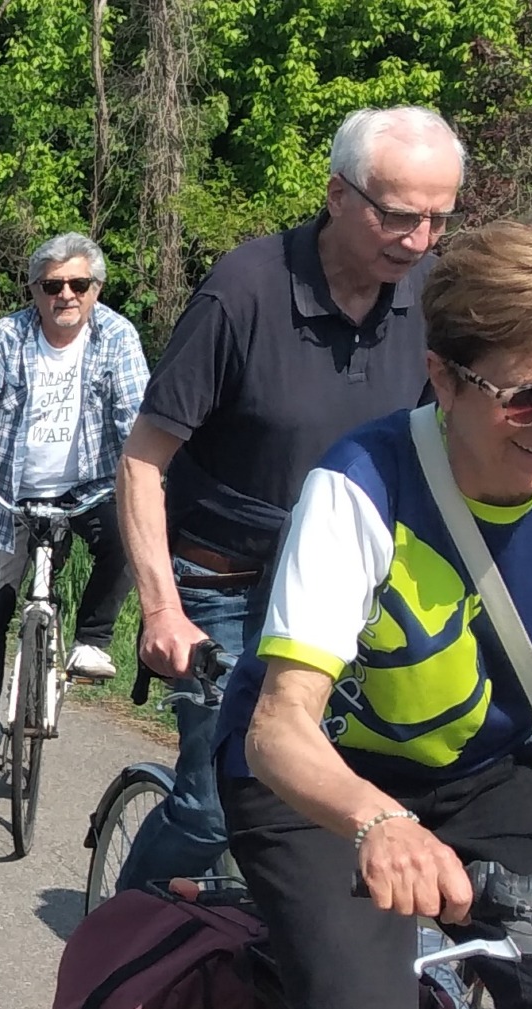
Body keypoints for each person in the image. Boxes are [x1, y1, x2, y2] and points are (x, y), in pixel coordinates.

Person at [213, 213, 532, 1009]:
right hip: (321, 786)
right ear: (445, 379)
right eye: (528, 399)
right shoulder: (360, 484)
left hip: (481, 774)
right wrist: (376, 822)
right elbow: (279, 727)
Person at [112, 105, 466, 892]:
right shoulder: (245, 291)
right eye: (400, 215)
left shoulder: (432, 295)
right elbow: (142, 461)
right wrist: (164, 611)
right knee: (213, 809)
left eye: (439, 219)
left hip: (349, 594)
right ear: (339, 195)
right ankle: (118, 946)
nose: (419, 239)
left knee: (348, 810)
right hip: (226, 584)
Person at [0, 232, 148, 783]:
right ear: (34, 290)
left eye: (79, 284)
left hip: (91, 489)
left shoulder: (117, 337)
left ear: (96, 288)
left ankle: (92, 642)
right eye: (53, 285)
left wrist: (145, 482)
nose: (66, 295)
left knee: (128, 536)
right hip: (13, 494)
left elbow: (134, 414)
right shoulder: (7, 337)